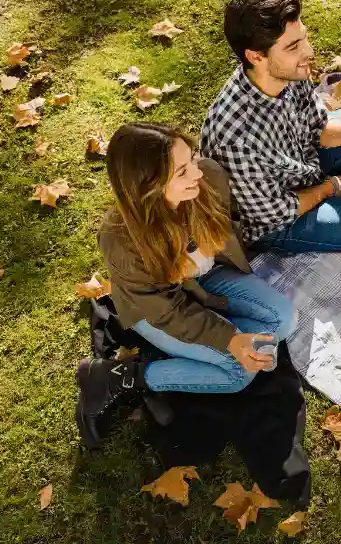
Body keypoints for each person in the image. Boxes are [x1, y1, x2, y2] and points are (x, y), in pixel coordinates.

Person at [75, 123, 296, 448]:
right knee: (238, 373)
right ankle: (122, 377)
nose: (196, 172)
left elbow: (229, 225)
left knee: (284, 319)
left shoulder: (207, 177)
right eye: (182, 171)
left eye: (191, 158)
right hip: (158, 310)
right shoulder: (122, 240)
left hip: (204, 281)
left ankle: (216, 350)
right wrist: (231, 340)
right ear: (148, 186)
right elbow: (168, 312)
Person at [200, 0, 341, 253]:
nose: (309, 52)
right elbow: (278, 211)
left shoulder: (289, 72)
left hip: (306, 162)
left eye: (304, 38)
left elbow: (318, 127)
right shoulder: (234, 140)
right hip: (283, 218)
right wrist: (330, 186)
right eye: (293, 47)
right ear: (255, 56)